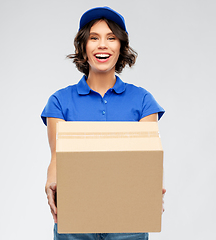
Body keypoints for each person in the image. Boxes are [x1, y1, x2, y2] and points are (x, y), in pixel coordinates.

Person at [41, 6, 166, 240]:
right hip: (75, 218)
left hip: (128, 219)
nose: (102, 45)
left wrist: (152, 187)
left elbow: (147, 159)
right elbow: (57, 158)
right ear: (83, 47)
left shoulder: (143, 101)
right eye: (94, 38)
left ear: (121, 47)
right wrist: (51, 180)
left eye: (111, 38)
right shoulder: (60, 101)